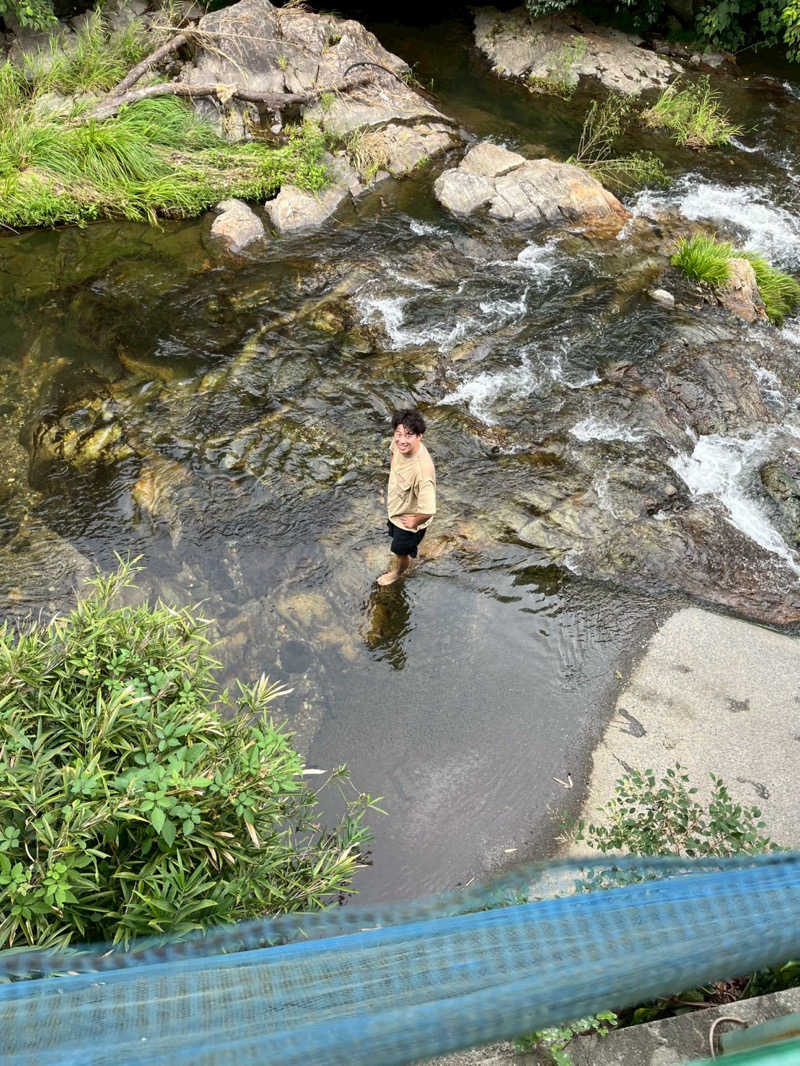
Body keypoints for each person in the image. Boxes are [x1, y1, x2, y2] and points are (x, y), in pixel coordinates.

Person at [378, 408, 436, 586]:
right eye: (398, 433)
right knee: (395, 539)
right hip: (396, 508)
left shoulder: (422, 471)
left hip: (408, 522)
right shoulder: (397, 444)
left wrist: (414, 522)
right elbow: (393, 454)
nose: (401, 440)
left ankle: (397, 572)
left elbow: (429, 509)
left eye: (408, 435)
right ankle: (409, 555)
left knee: (399, 551)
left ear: (419, 436)